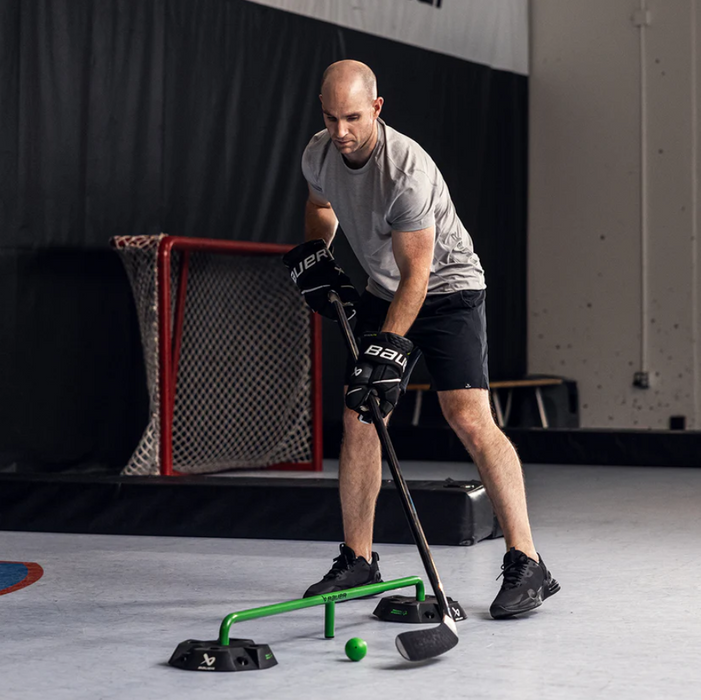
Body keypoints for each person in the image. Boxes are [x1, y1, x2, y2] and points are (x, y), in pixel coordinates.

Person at [283, 60, 559, 619]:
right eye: (332, 117)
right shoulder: (318, 153)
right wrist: (320, 252)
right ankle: (358, 559)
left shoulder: (406, 170)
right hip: (387, 287)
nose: (342, 132)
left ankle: (528, 562)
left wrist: (384, 350)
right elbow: (320, 207)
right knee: (361, 415)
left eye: (354, 118)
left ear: (377, 109)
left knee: (467, 417)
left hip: (448, 286)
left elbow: (419, 276)